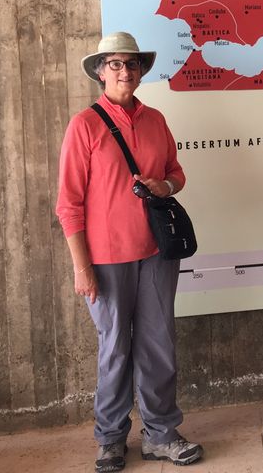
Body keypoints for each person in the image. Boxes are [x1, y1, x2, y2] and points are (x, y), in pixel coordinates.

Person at [56, 32, 204, 471]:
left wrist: (165, 186)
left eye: (132, 64)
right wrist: (82, 267)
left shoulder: (156, 120)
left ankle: (161, 434)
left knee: (158, 346)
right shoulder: (84, 125)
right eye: (115, 64)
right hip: (105, 259)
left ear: (140, 72)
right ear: (101, 73)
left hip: (157, 253)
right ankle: (110, 438)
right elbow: (68, 204)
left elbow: (177, 173)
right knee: (115, 349)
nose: (125, 71)